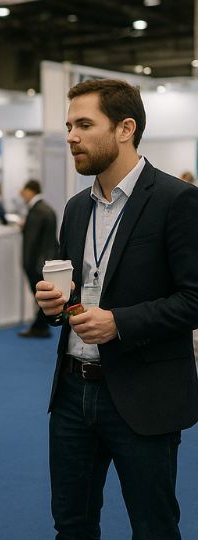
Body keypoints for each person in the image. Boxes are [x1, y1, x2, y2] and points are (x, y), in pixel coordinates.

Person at [34, 78, 198, 539]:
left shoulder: (176, 201)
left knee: (153, 527)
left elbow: (194, 299)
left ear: (125, 128)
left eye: (84, 124)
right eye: (68, 125)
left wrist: (119, 323)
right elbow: (71, 296)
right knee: (71, 525)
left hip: (143, 395)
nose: (71, 136)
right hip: (70, 393)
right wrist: (52, 303)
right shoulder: (74, 209)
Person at [19, 179, 58, 338]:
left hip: (37, 263)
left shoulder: (37, 210)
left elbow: (32, 240)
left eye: (23, 192)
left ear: (30, 191)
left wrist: (26, 263)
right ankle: (40, 326)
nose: (22, 195)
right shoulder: (46, 208)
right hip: (46, 260)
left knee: (42, 298)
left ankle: (39, 327)